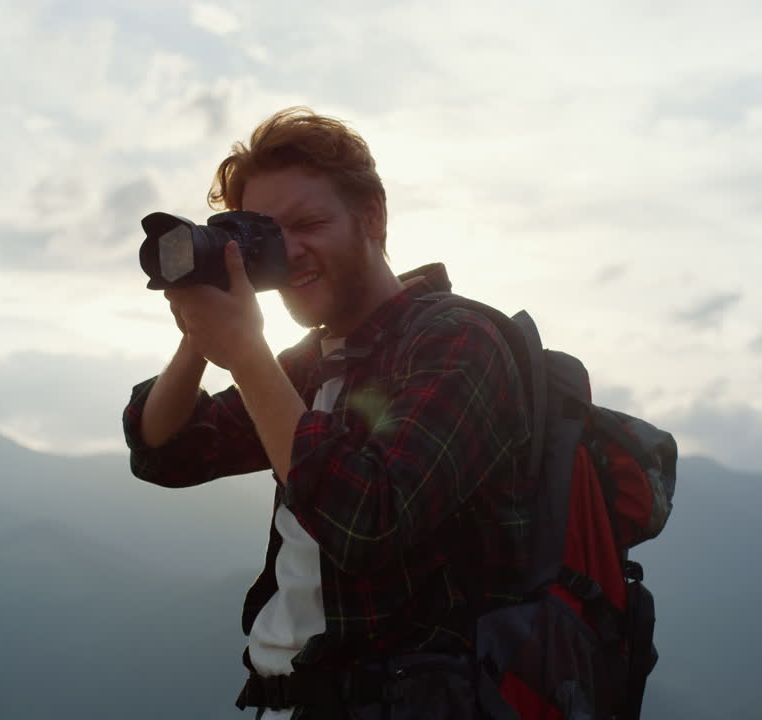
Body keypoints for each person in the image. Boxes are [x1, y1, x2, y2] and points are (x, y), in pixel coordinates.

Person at [122, 107, 531, 719]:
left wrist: (245, 351)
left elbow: (367, 521)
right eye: (266, 236)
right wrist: (198, 336)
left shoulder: (458, 341)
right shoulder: (310, 364)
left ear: (373, 216)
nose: (289, 253)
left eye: (309, 224)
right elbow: (167, 451)